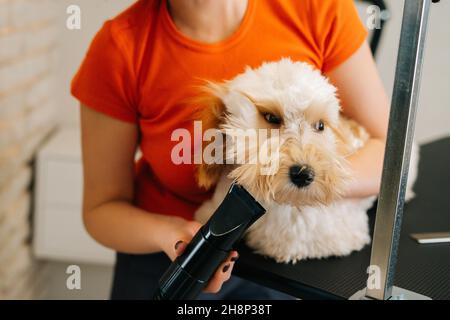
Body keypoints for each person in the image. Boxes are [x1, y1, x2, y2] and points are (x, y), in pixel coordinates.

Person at [71, 0, 389, 299]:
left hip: (285, 261)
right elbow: (102, 209)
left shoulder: (318, 8)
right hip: (172, 259)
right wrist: (172, 236)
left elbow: (390, 153)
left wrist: (306, 181)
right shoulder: (119, 48)